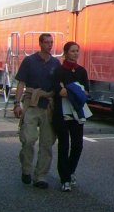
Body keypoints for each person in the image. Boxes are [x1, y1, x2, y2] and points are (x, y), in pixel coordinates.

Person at [12, 33, 60, 189]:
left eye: (51, 42)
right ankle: (26, 169)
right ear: (40, 44)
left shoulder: (55, 63)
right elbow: (21, 83)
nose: (49, 45)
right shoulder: (29, 61)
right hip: (31, 101)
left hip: (48, 104)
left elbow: (60, 86)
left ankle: (41, 176)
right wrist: (16, 103)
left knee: (47, 143)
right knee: (28, 139)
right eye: (46, 42)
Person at [53, 41, 90, 192]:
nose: (76, 53)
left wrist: (70, 90)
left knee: (77, 145)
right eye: (73, 51)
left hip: (77, 112)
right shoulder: (59, 70)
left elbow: (86, 92)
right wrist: (75, 91)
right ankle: (65, 178)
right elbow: (58, 91)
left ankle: (70, 170)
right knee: (64, 145)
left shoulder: (81, 71)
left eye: (77, 51)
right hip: (62, 112)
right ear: (66, 52)